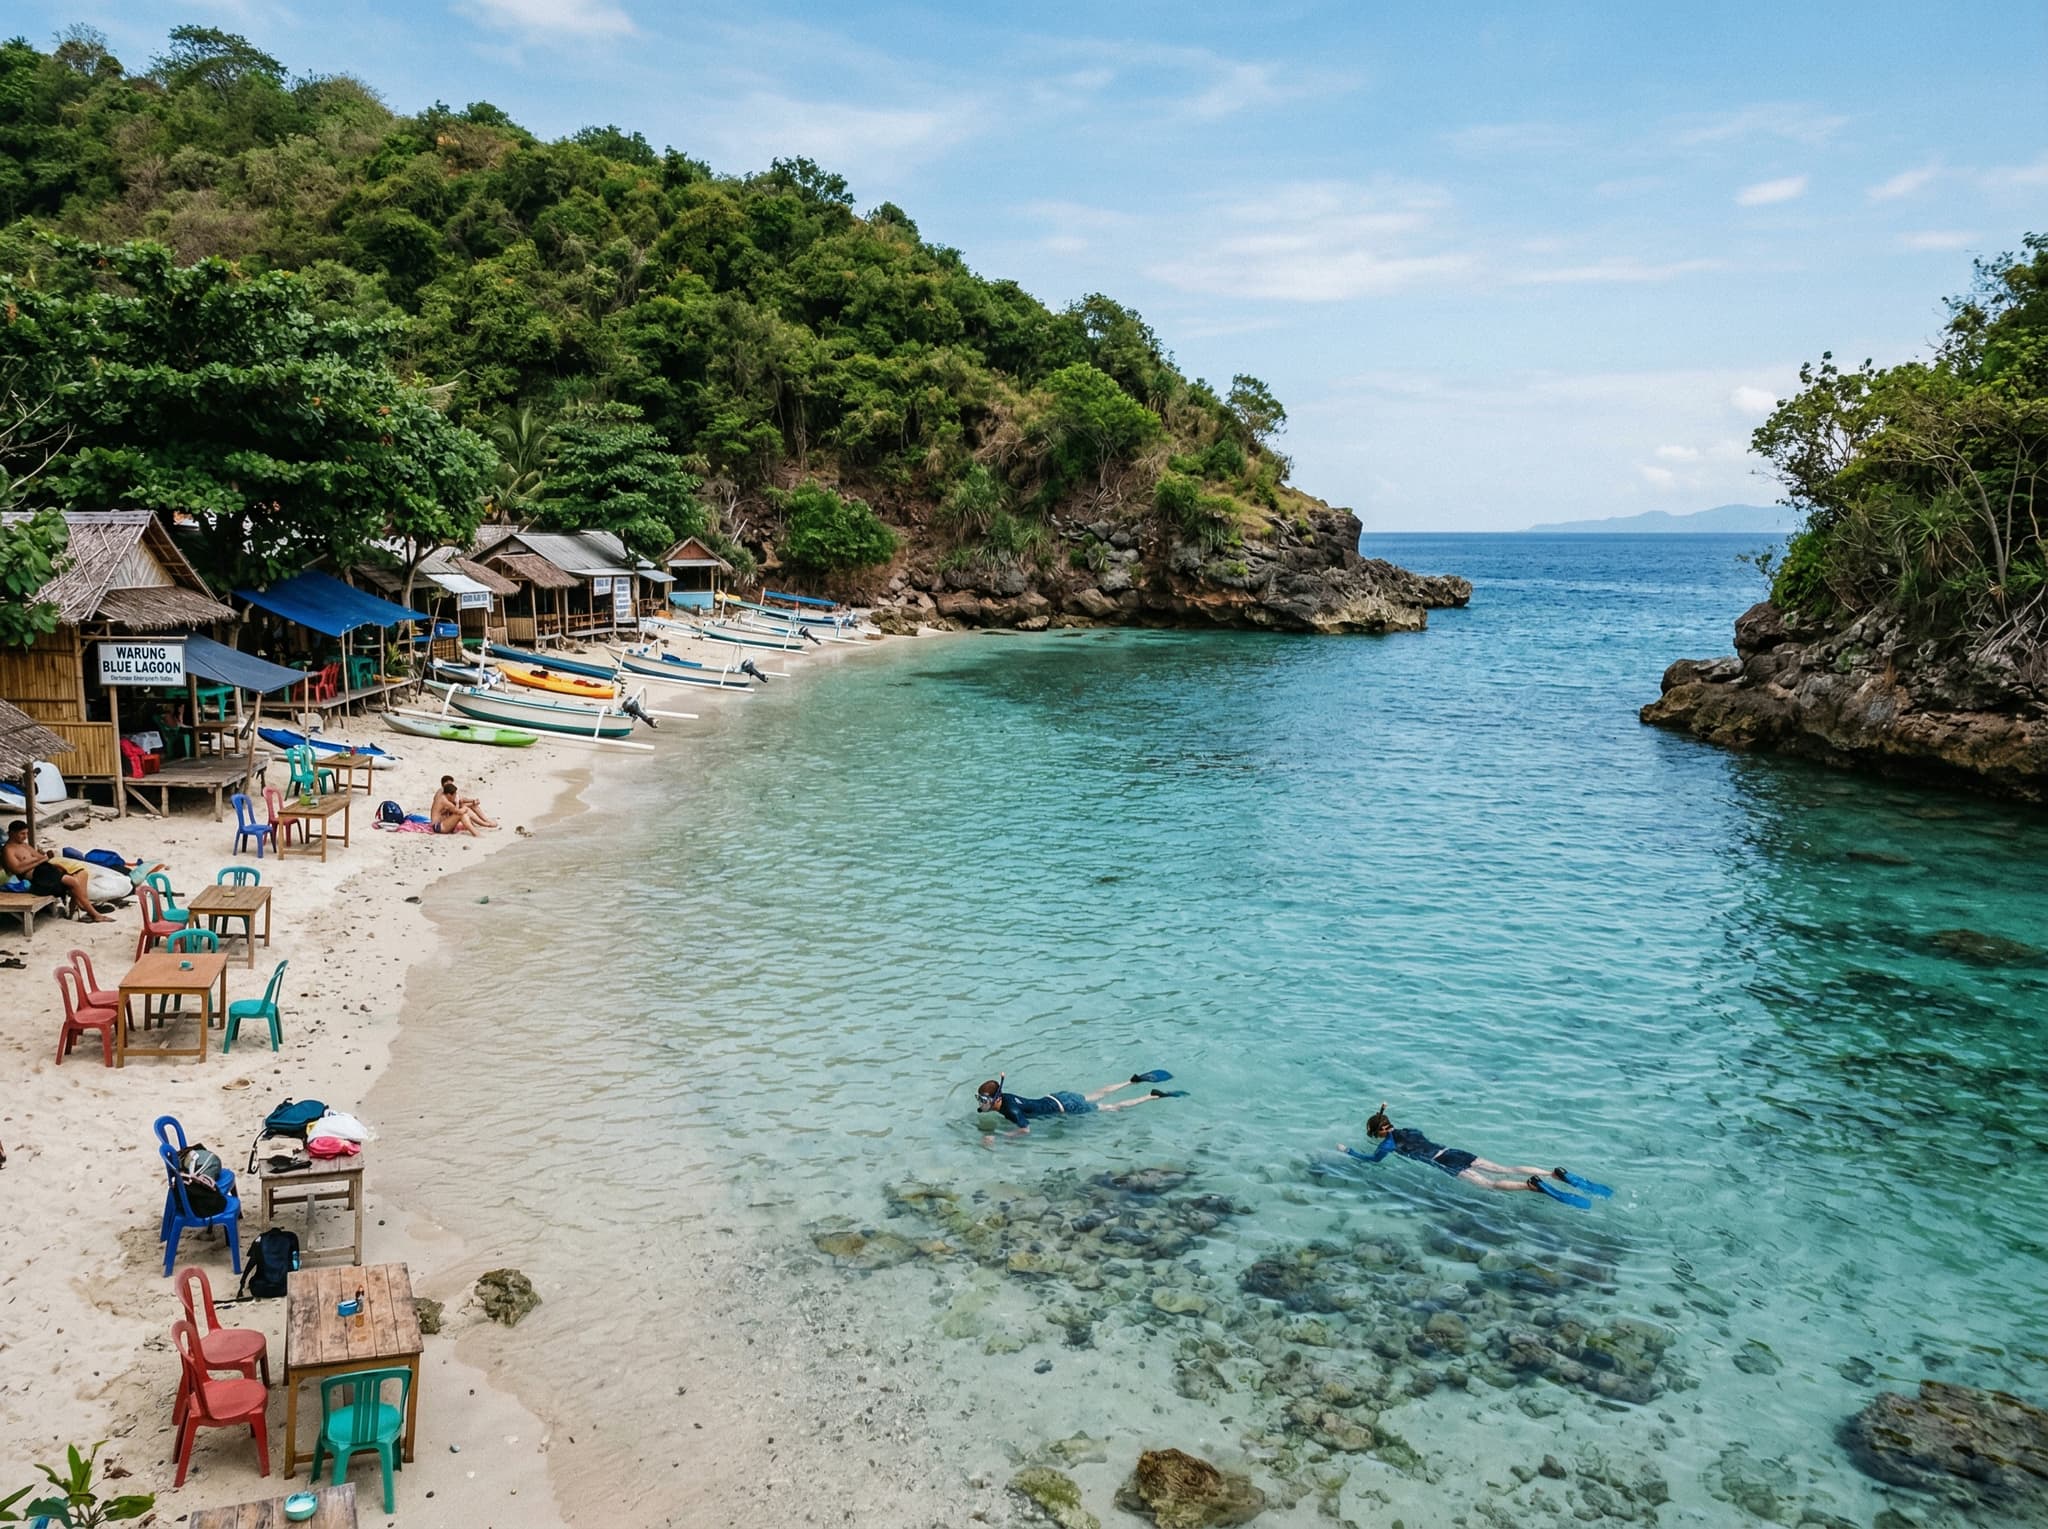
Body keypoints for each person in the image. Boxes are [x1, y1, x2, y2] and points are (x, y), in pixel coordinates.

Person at [1338, 1101, 1610, 1206]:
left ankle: (1530, 1187)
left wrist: (1349, 1151)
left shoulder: (1387, 1145)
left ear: (1378, 1132)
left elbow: (1372, 1161)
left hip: (1442, 1162)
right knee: (1506, 1167)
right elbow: (1419, 1135)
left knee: (1491, 1186)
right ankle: (1553, 1173)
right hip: (1453, 1151)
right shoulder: (1409, 1129)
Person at [977, 1070, 1185, 1143]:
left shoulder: (1011, 1110)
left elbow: (1025, 1129)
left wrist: (1002, 1137)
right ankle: (1132, 1081)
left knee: (1111, 1107)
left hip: (1066, 1108)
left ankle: (1151, 1096)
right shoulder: (1007, 1097)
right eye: (980, 1099)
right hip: (1058, 1097)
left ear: (996, 1100)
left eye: (984, 1100)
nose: (981, 1104)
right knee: (1098, 1093)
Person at [3, 820, 112, 922]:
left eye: (26, 833)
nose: (25, 837)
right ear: (12, 833)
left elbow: (41, 857)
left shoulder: (25, 845)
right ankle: (94, 914)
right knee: (72, 882)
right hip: (37, 877)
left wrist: (43, 858)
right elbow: (16, 869)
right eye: (22, 834)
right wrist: (39, 860)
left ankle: (77, 909)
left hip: (44, 870)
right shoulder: (8, 849)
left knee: (79, 875)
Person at [431, 776, 496, 834]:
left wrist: (472, 801)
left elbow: (460, 799)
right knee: (462, 813)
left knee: (465, 810)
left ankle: (484, 825)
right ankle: (483, 826)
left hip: (444, 822)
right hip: (438, 826)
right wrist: (467, 806)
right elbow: (458, 810)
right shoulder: (442, 797)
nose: (450, 785)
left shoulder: (447, 794)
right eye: (448, 784)